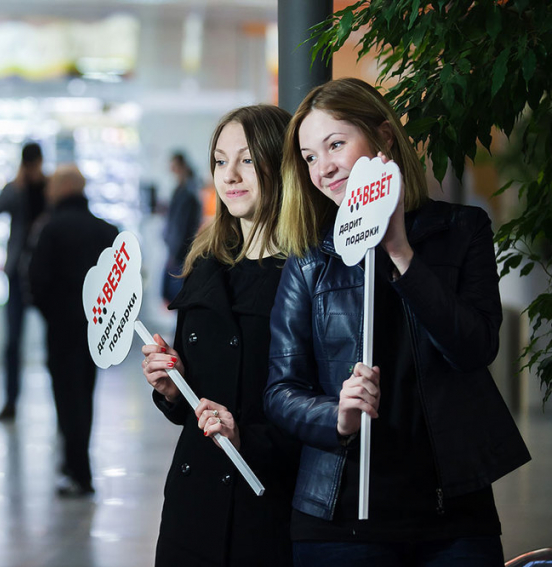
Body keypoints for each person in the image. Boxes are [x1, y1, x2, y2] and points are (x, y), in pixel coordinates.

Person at [264, 77, 531, 566]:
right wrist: (336, 416)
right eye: (309, 157)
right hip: (339, 517)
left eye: (336, 145)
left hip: (454, 515)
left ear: (384, 136)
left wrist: (400, 251)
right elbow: (281, 390)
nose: (323, 168)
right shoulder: (308, 257)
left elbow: (475, 347)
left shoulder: (462, 230)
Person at [141, 105, 299, 567]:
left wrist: (244, 436)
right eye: (219, 160)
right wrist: (173, 388)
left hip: (268, 506)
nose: (229, 174)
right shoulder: (205, 266)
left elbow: (324, 409)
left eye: (247, 159)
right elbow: (192, 406)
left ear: (281, 163)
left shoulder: (311, 274)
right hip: (193, 506)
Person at [28, 164, 118, 497]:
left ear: (62, 188)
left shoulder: (51, 230)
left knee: (67, 401)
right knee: (85, 396)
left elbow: (36, 282)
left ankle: (79, 472)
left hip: (62, 331)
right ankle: (76, 465)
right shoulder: (107, 231)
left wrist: (53, 315)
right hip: (97, 333)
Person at [0, 142, 48, 422]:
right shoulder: (16, 188)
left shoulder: (49, 188)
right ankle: (10, 402)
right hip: (17, 273)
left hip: (45, 274)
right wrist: (15, 187)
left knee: (54, 341)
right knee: (12, 342)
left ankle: (58, 406)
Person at [161, 151, 202, 304]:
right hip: (176, 251)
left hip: (180, 253)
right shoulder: (181, 190)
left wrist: (174, 253)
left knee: (177, 296)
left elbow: (182, 227)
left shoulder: (188, 192)